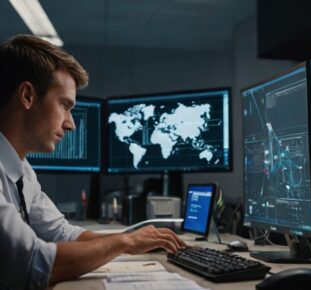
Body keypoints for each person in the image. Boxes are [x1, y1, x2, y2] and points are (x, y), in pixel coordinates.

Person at [0, 35, 186, 290]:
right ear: (28, 95)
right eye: (65, 105)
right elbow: (35, 264)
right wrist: (125, 243)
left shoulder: (22, 171)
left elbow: (62, 234)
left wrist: (127, 239)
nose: (71, 123)